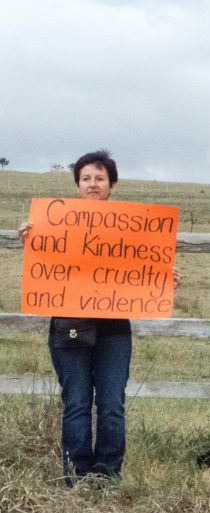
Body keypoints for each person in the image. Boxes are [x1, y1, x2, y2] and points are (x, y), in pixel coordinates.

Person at [18, 150, 180, 486]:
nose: (93, 184)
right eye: (86, 178)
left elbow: (146, 265)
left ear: (111, 185)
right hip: (69, 324)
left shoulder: (133, 229)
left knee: (111, 404)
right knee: (76, 402)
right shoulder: (55, 223)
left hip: (114, 330)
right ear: (77, 184)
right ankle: (76, 477)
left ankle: (107, 476)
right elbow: (46, 266)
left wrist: (164, 277)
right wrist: (33, 241)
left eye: (99, 178)